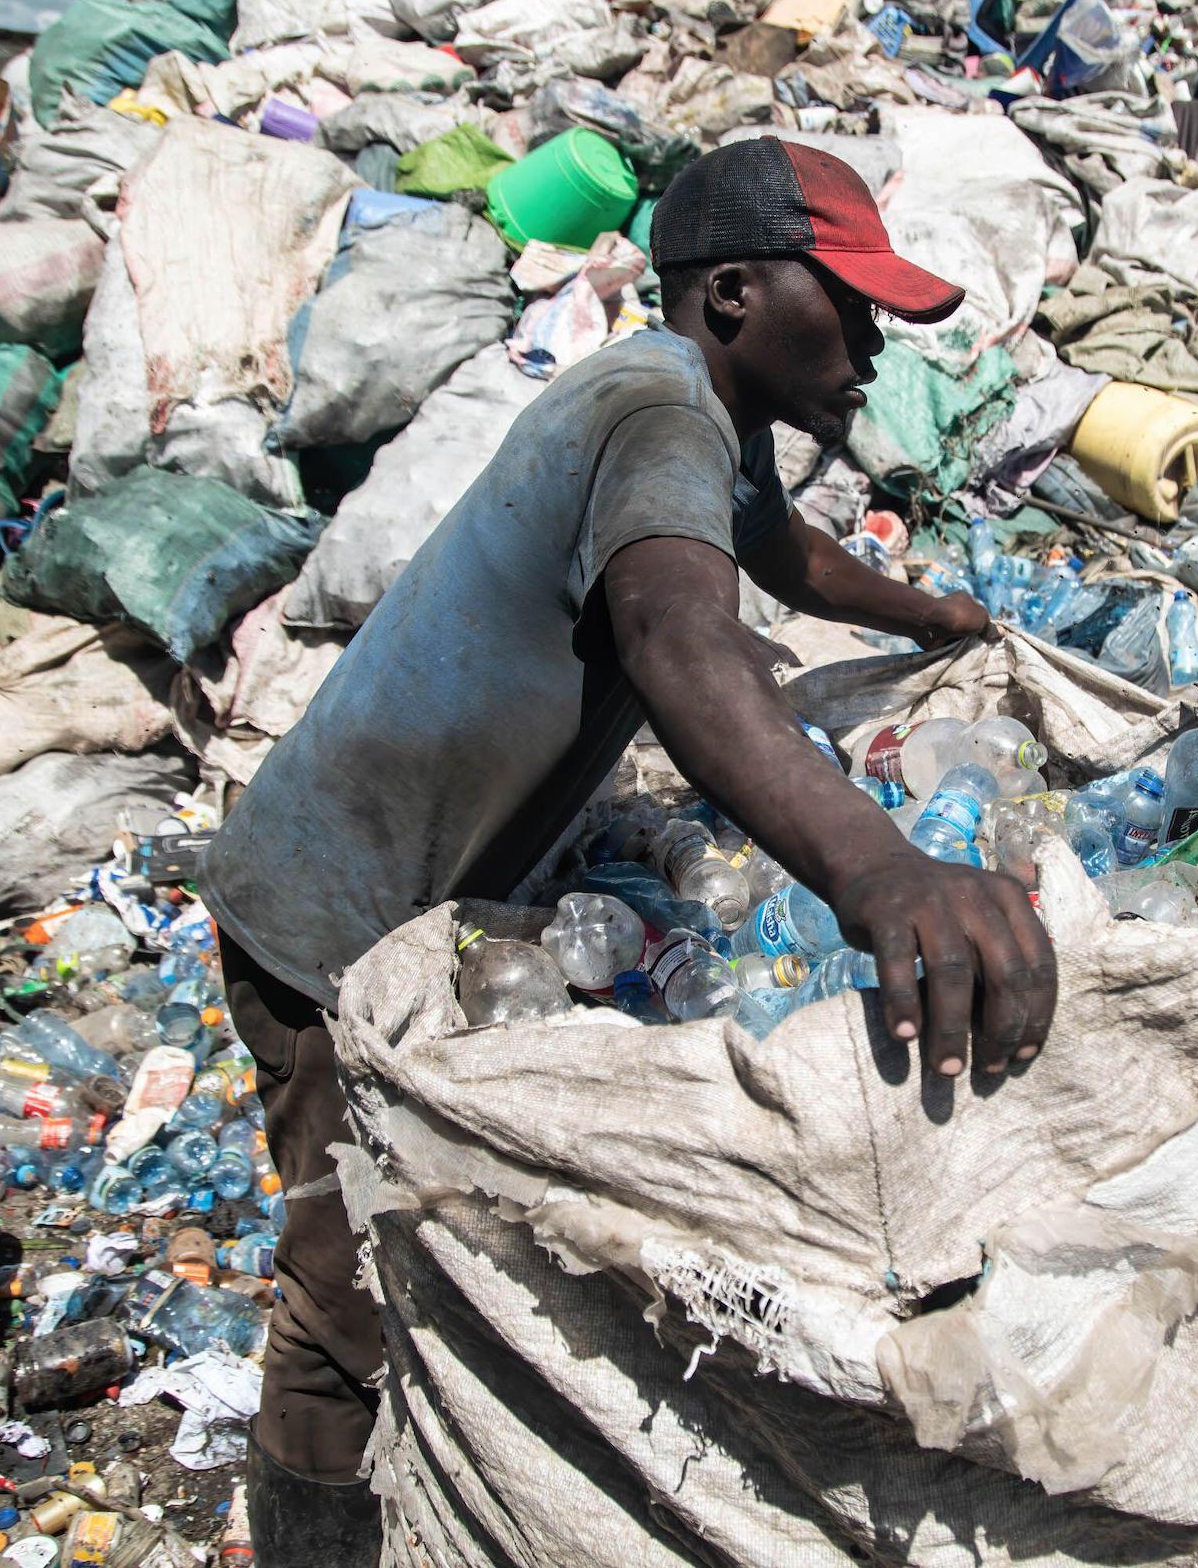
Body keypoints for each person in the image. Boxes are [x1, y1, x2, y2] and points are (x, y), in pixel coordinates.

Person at [196, 137, 1062, 1564]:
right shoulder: (656, 412)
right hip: (328, 911)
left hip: (402, 874)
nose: (868, 346)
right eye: (846, 308)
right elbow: (682, 640)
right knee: (348, 1281)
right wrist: (883, 869)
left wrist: (932, 617)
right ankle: (310, 1530)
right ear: (731, 293)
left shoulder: (703, 420)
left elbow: (781, 557)